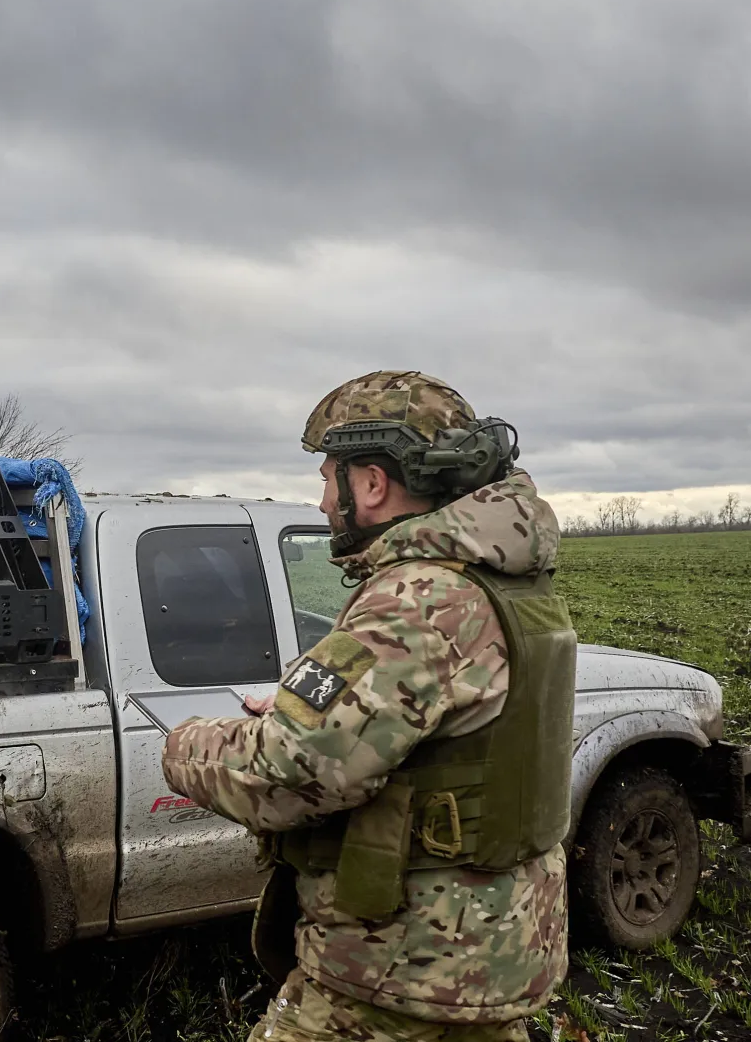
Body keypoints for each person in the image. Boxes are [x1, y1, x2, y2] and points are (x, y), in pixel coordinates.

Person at [162, 370, 574, 1041]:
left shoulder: (417, 598)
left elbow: (293, 768)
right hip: (492, 947)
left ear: (372, 484)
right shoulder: (501, 579)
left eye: (329, 477)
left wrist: (185, 746)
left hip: (400, 969)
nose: (322, 498)